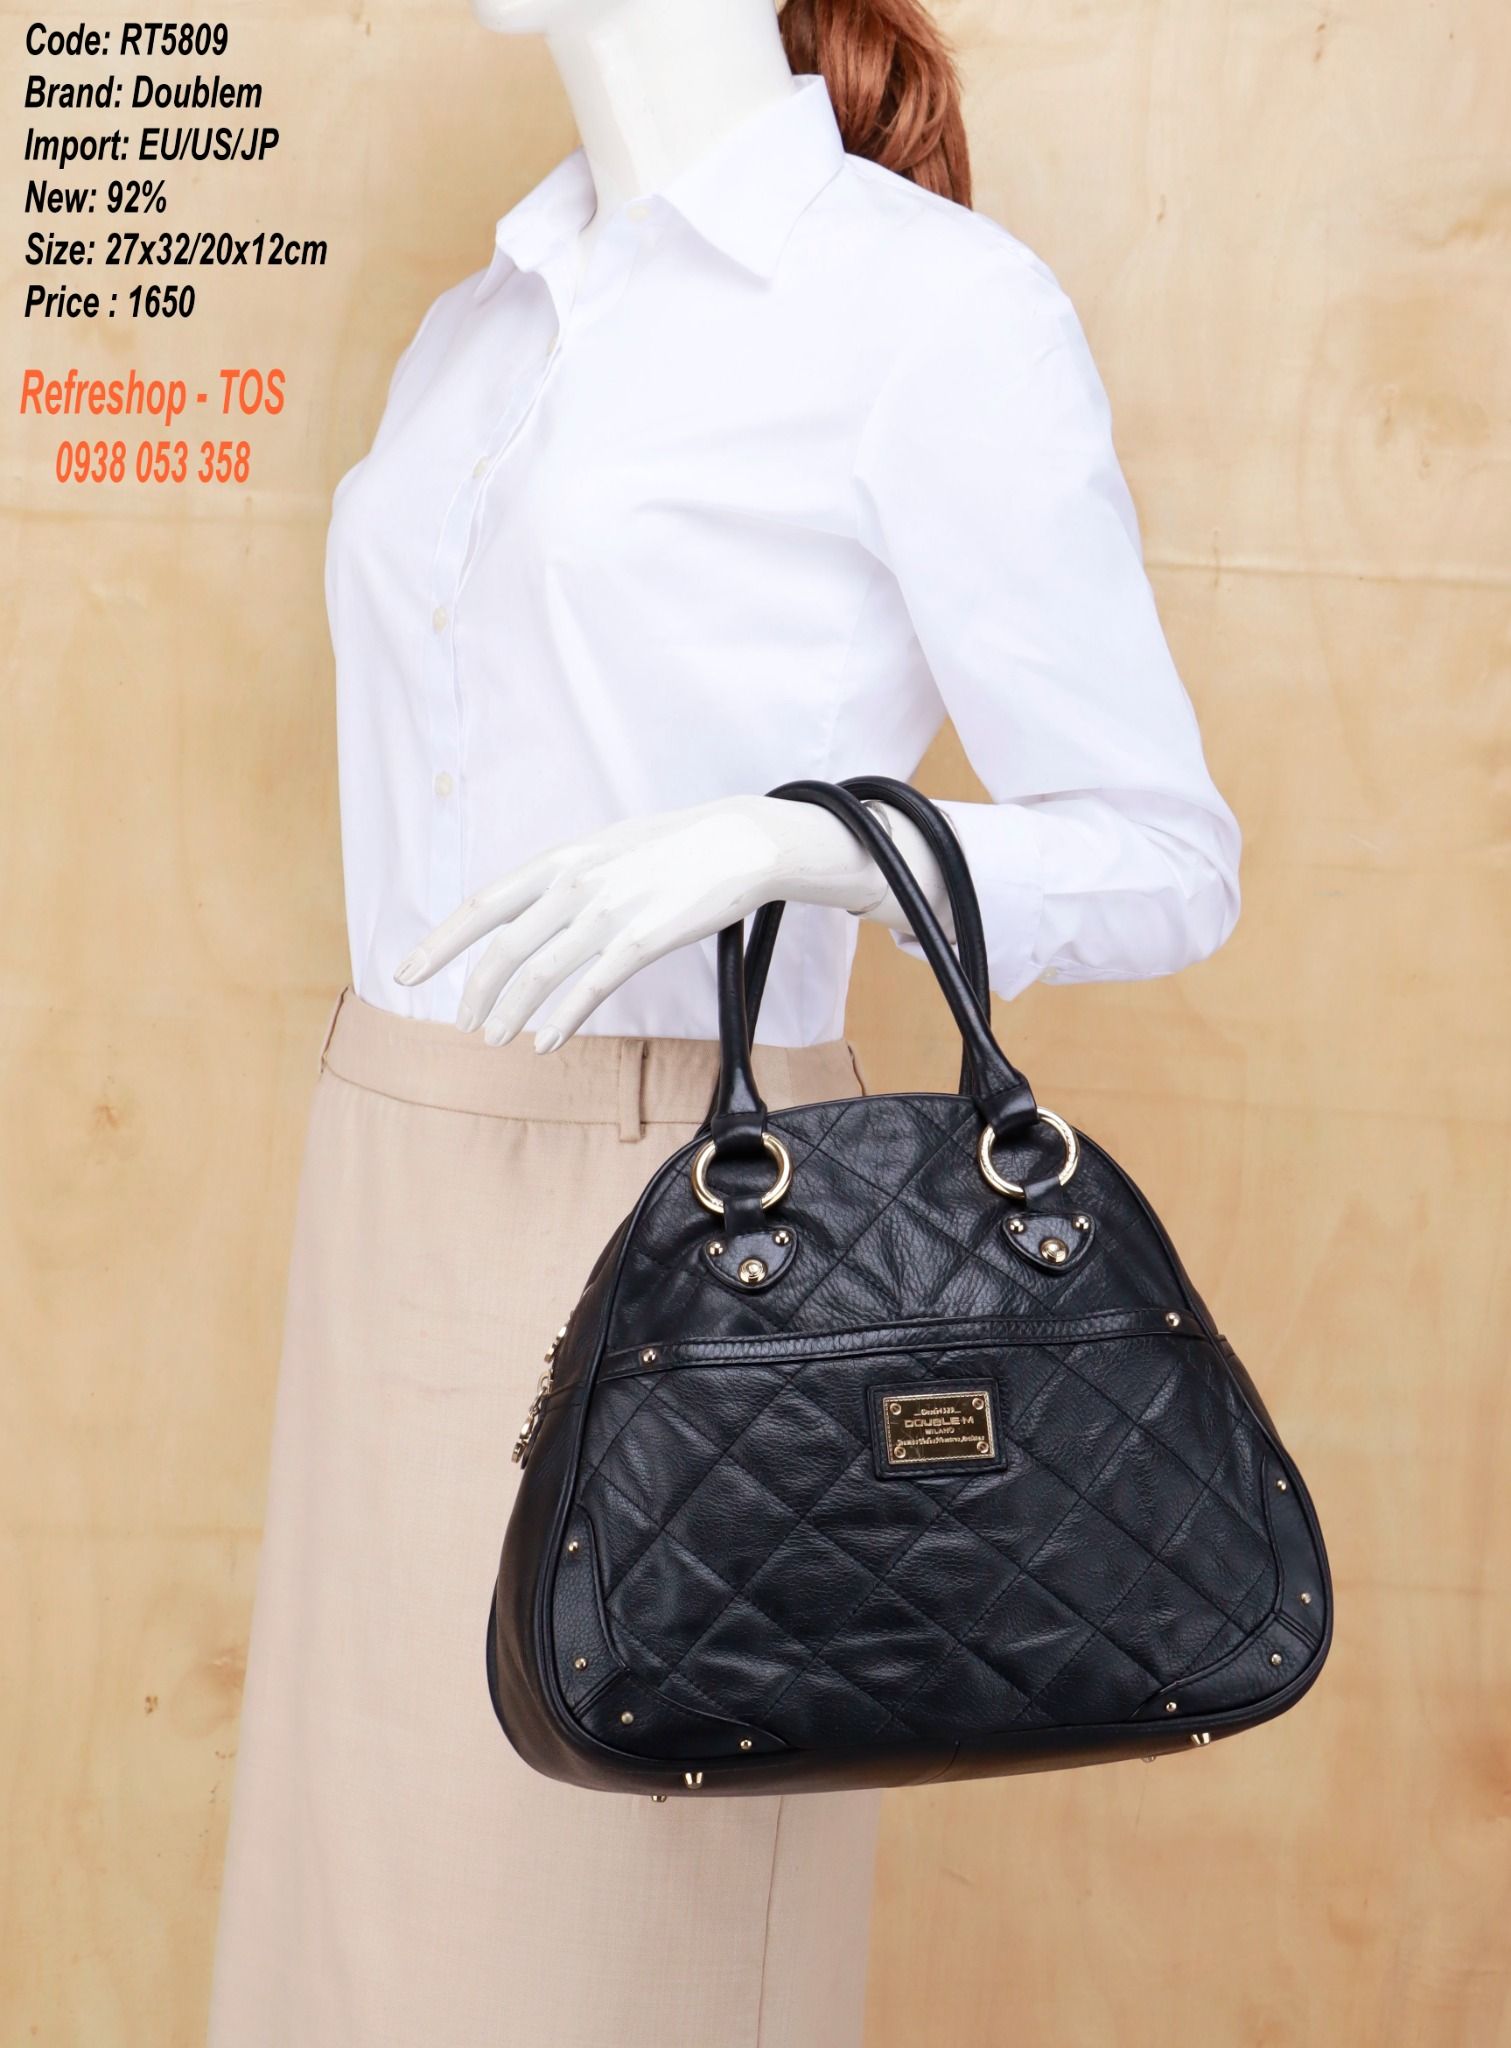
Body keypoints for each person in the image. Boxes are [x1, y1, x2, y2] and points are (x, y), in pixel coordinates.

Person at [208, 2, 1241, 2042]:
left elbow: (1165, 856)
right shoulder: (482, 323)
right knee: (353, 1960)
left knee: (608, 1964)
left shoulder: (924, 312)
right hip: (391, 1193)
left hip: (692, 1220)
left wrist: (801, 840)